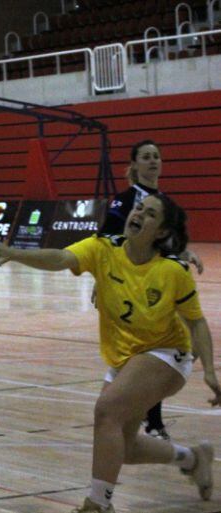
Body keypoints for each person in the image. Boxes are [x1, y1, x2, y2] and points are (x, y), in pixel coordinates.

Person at [0, 193, 221, 513]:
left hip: (168, 353)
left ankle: (97, 504)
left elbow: (196, 323)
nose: (139, 213)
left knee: (107, 410)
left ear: (163, 232)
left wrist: (209, 371)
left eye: (150, 214)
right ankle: (193, 458)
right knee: (124, 448)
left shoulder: (172, 271)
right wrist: (12, 253)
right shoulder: (102, 248)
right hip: (124, 357)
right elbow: (59, 258)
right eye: (139, 208)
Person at [99, 139, 204, 441]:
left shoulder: (165, 202)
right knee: (152, 351)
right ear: (134, 165)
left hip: (165, 282)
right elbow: (105, 240)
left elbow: (170, 241)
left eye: (156, 156)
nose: (152, 161)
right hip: (134, 283)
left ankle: (140, 409)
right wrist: (102, 279)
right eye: (145, 157)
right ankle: (151, 421)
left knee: (176, 350)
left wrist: (187, 253)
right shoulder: (124, 200)